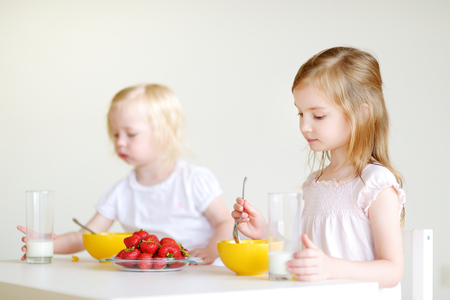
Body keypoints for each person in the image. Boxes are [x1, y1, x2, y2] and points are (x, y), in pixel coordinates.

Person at [232, 47, 405, 298]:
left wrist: (331, 267)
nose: (304, 125)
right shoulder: (314, 183)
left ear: (362, 114)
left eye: (318, 115)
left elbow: (392, 271)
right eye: (300, 113)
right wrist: (264, 233)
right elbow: (309, 248)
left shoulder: (375, 184)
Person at [18, 83, 233, 265]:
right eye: (115, 134)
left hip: (202, 274)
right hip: (150, 280)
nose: (120, 142)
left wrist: (211, 251)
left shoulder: (192, 180)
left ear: (165, 134)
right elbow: (86, 236)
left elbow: (225, 223)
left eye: (130, 134)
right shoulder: (120, 192)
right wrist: (47, 243)